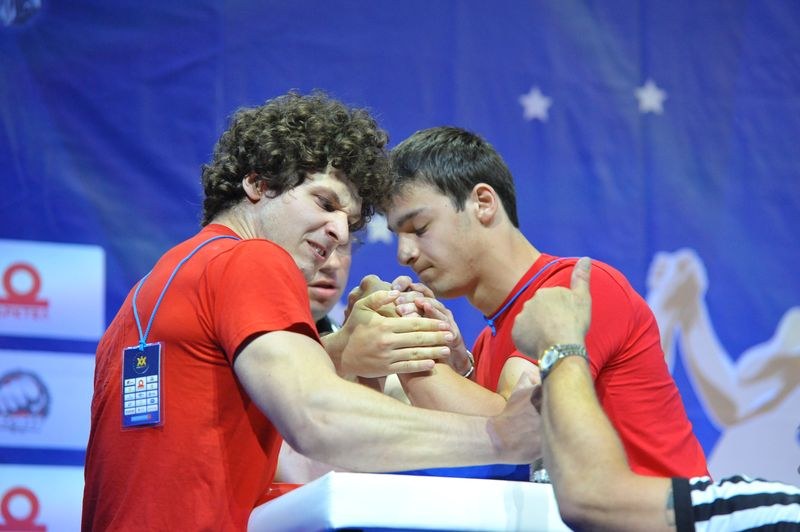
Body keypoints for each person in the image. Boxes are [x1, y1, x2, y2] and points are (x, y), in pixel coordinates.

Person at [81, 93, 540, 530]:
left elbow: (299, 458)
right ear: (257, 184)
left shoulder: (154, 288)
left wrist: (343, 352)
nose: (340, 231)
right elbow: (318, 419)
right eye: (324, 202)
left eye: (352, 221)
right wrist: (497, 435)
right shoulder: (252, 259)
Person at [379, 126, 707, 479]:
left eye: (419, 227)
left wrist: (404, 347)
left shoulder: (581, 289)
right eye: (397, 236)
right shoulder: (486, 345)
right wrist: (462, 372)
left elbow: (511, 428)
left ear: (483, 203)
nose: (404, 254)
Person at [511, 257, 800, 531]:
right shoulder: (769, 510)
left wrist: (559, 342)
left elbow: (592, 495)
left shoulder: (772, 512)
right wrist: (683, 306)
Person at [647, 248, 800, 484]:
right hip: (725, 505)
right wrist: (686, 305)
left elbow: (737, 404)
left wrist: (665, 305)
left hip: (769, 506)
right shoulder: (794, 332)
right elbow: (734, 403)